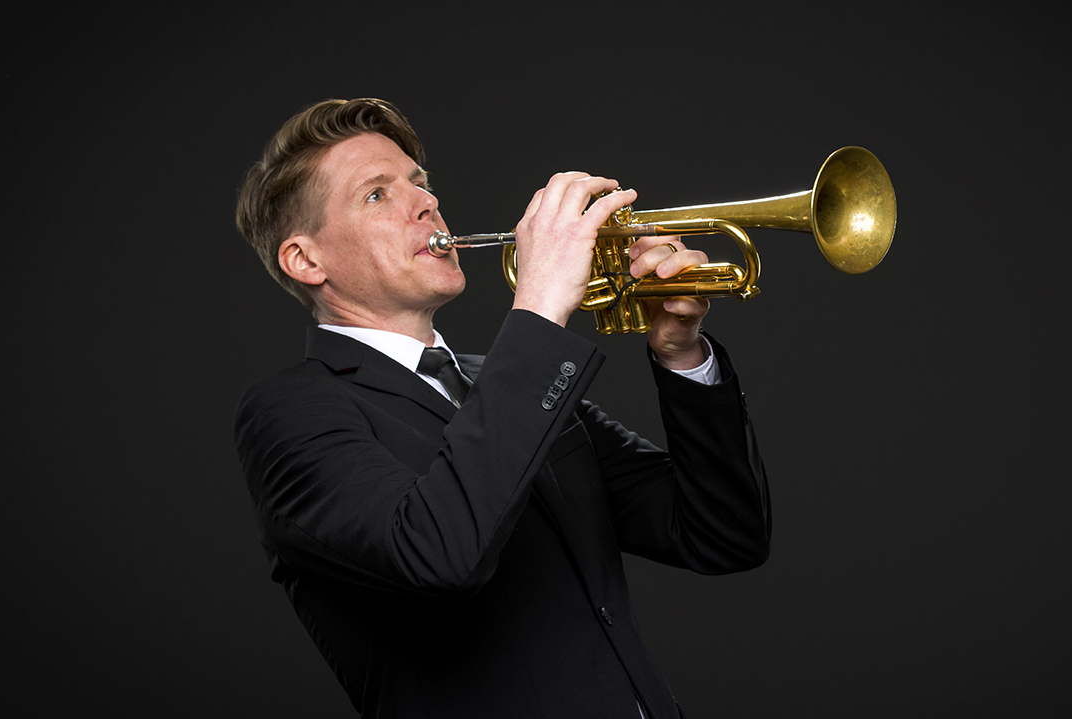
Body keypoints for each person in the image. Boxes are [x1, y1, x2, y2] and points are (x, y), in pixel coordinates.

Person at [233, 97, 770, 719]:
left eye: (420, 183)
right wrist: (540, 307)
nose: (425, 203)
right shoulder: (288, 411)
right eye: (376, 195)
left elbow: (723, 535)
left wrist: (682, 354)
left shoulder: (509, 383)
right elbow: (436, 553)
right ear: (306, 260)